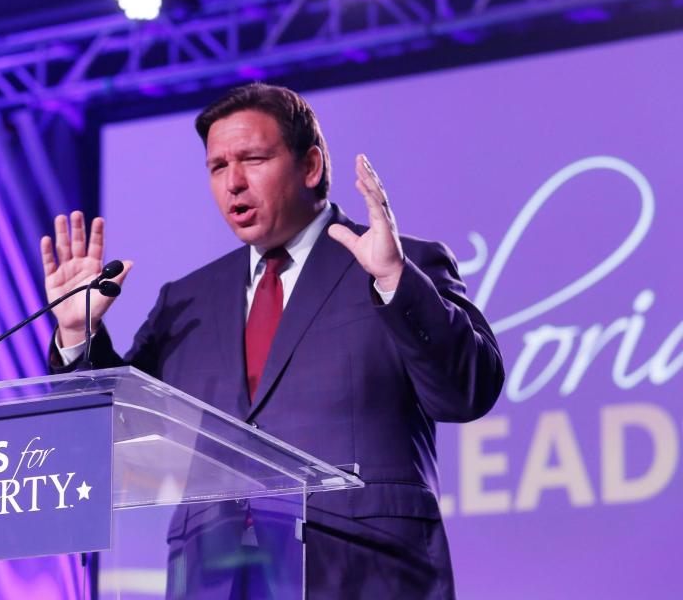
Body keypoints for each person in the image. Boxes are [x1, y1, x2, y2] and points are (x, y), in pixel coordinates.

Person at [41, 83, 504, 599]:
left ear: (309, 166)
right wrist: (78, 333)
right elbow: (116, 435)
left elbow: (466, 392)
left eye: (253, 159)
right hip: (215, 576)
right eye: (218, 167)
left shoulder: (397, 264)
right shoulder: (188, 299)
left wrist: (395, 280)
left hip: (363, 572)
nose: (233, 183)